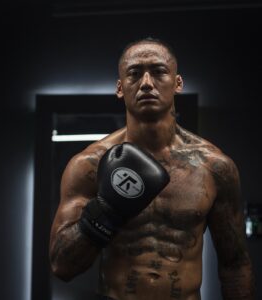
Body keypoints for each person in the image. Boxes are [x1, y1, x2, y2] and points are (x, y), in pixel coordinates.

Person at [49, 37, 255, 300]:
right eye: (134, 74)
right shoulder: (89, 165)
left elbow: (235, 265)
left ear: (177, 83)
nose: (146, 83)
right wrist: (106, 211)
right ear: (120, 87)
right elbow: (62, 266)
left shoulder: (214, 167)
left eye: (159, 72)